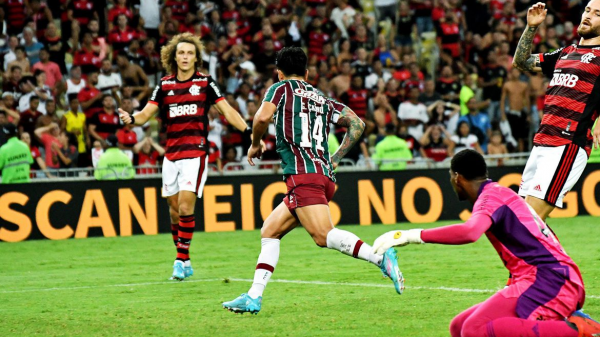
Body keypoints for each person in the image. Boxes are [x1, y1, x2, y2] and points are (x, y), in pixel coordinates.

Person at [222, 47, 404, 315]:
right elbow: (357, 124)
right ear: (307, 73)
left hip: (303, 176)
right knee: (270, 231)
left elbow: (261, 117)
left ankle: (380, 257)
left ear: (279, 73)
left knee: (323, 236)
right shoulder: (321, 98)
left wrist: (255, 143)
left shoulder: (280, 89)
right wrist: (336, 158)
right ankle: (253, 296)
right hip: (322, 175)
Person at [372, 149, 600, 337]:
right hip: (547, 277)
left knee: (473, 330)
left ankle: (578, 330)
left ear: (457, 178)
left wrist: (410, 235)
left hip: (550, 280)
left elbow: (470, 232)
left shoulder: (490, 199)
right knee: (458, 326)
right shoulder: (497, 193)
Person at [119, 32, 261, 281]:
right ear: (174, 57)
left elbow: (227, 110)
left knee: (185, 205)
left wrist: (249, 132)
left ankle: (180, 259)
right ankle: (185, 259)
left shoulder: (206, 83)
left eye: (190, 53)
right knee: (174, 212)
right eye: (181, 52)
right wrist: (131, 119)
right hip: (171, 155)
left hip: (195, 152)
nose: (185, 57)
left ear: (196, 58)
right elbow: (145, 114)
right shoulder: (164, 85)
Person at [512, 1, 600, 221]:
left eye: (598, 14)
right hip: (542, 142)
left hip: (567, 144)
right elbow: (521, 62)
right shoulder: (566, 53)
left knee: (527, 221)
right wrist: (531, 27)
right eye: (587, 10)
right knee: (524, 220)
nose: (588, 16)